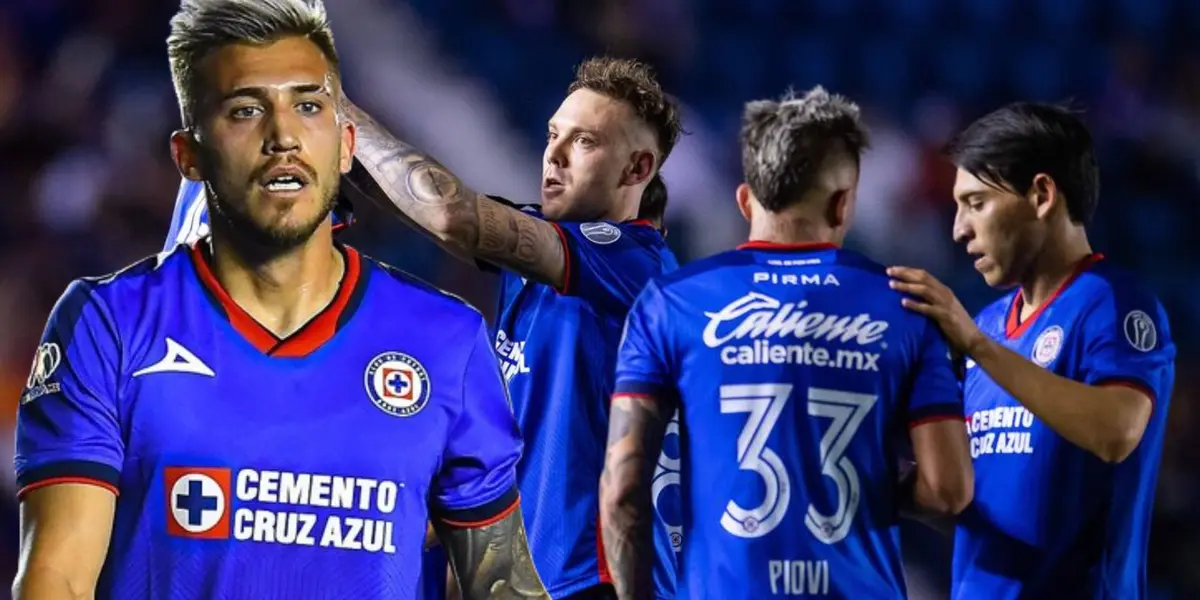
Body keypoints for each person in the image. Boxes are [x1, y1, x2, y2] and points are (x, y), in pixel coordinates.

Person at [11, 1, 548, 598]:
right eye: (245, 110)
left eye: (309, 106)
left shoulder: (447, 339)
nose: (283, 136)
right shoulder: (108, 325)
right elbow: (55, 579)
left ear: (348, 146)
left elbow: (502, 583)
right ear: (189, 156)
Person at [601, 87, 974, 600]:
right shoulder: (909, 307)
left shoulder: (671, 302)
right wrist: (858, 481)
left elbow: (623, 491)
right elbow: (948, 490)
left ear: (744, 198)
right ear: (844, 205)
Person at [340, 56, 683, 599]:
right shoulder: (539, 260)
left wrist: (338, 107)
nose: (555, 154)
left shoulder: (635, 264)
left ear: (637, 170)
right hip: (528, 582)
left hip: (594, 580)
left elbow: (454, 218)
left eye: (586, 142)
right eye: (553, 134)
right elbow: (409, 202)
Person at [888, 102, 1177, 599]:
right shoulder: (989, 326)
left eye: (976, 203)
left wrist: (977, 348)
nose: (959, 228)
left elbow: (1116, 431)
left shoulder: (1111, 303)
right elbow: (986, 510)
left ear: (1042, 194)